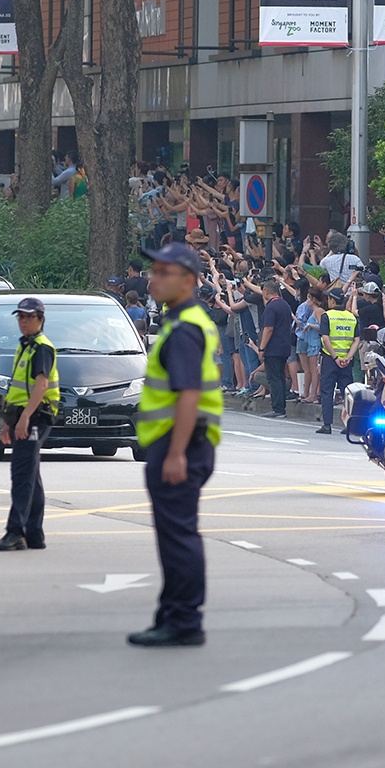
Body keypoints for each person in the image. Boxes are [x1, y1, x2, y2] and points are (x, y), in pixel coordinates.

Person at [130, 242, 222, 648]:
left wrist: (176, 453)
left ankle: (184, 620)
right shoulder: (184, 321)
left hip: (179, 444)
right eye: (154, 271)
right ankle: (171, 614)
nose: (154, 278)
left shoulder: (185, 328)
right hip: (178, 443)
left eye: (164, 272)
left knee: (179, 536)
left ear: (189, 280)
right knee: (174, 534)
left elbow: (187, 395)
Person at [0, 298, 57, 552]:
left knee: (22, 474)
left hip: (37, 416)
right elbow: (18, 389)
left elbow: (41, 385)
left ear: (40, 319)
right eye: (20, 317)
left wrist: (26, 417)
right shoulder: (26, 347)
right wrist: (10, 421)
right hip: (25, 415)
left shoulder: (41, 347)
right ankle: (34, 533)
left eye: (29, 317)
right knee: (31, 473)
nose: (23, 321)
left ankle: (15, 532)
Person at [315, 287, 359, 434]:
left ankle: (327, 425)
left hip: (330, 359)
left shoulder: (327, 316)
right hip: (347, 361)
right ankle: (349, 425)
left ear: (332, 300)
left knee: (327, 391)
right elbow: (356, 340)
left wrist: (335, 357)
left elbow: (325, 338)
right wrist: (348, 357)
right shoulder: (352, 317)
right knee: (347, 392)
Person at [258, 284, 295, 419]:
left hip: (273, 347)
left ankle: (277, 408)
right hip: (284, 346)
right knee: (280, 377)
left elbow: (268, 328)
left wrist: (261, 348)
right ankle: (281, 406)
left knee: (273, 378)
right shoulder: (285, 305)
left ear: (266, 290)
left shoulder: (271, 307)